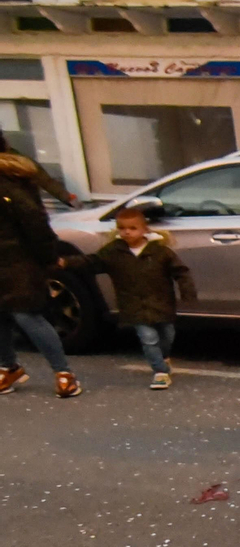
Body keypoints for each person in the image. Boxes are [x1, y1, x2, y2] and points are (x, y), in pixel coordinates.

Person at [60, 209, 196, 390]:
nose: (127, 232)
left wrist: (187, 292)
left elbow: (181, 272)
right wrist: (67, 262)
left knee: (167, 334)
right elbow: (92, 262)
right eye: (122, 228)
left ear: (144, 229)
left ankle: (163, 357)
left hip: (161, 302)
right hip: (133, 305)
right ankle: (160, 372)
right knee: (148, 338)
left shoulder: (160, 252)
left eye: (133, 228)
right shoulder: (113, 252)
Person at [0, 140, 81, 398]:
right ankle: (8, 367)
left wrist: (48, 257)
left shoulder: (9, 181)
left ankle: (63, 373)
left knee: (27, 315)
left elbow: (35, 222)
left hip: (18, 261)